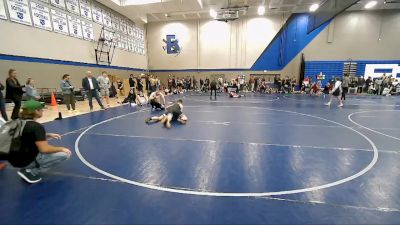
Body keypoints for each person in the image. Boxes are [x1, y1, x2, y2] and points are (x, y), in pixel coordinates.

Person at [8, 100, 71, 183]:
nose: (42, 111)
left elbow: (27, 135)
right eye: (41, 109)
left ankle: (27, 167)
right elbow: (44, 149)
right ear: (36, 111)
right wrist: (62, 148)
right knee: (65, 154)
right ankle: (32, 172)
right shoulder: (36, 127)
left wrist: (47, 135)